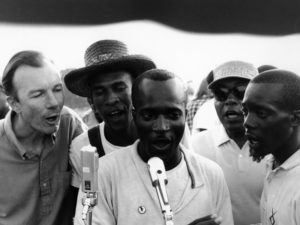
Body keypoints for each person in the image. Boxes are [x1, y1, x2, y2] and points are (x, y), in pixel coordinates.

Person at [74, 69, 234, 225]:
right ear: (134, 117)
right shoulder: (103, 175)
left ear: (185, 116)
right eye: (149, 116)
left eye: (173, 115)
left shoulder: (211, 174)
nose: (162, 127)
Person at [0, 50, 86, 225]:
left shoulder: (70, 124)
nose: (54, 102)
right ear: (14, 103)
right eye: (38, 94)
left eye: (57, 89)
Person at [64, 39, 156, 189]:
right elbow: (84, 207)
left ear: (137, 90)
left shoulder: (165, 132)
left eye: (119, 88)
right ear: (91, 102)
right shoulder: (83, 148)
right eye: (100, 92)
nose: (111, 99)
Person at [191, 61, 266, 225]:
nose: (230, 101)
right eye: (221, 94)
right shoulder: (195, 148)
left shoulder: (274, 147)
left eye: (241, 93)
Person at [242, 69, 300, 225]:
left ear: (294, 118)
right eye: (245, 111)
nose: (247, 122)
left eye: (261, 113)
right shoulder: (272, 163)